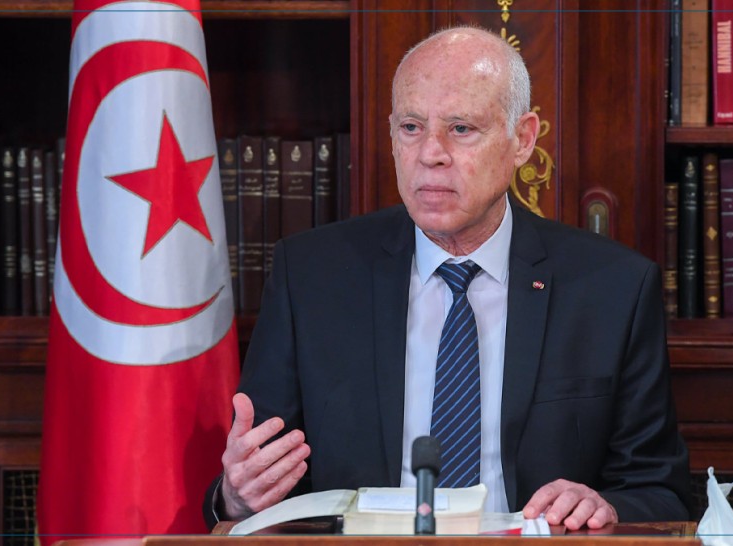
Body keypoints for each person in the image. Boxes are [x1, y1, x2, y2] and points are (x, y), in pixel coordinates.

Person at [203, 25, 691, 531]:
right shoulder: (311, 277)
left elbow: (661, 492)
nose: (430, 153)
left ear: (523, 140)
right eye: (411, 127)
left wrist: (603, 506)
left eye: (460, 128)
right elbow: (254, 485)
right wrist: (236, 498)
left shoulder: (614, 288)